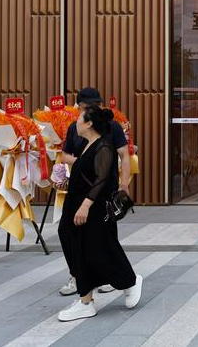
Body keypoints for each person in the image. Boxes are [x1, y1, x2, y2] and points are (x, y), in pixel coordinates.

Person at [56, 105, 141, 321]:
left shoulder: (104, 146)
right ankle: (86, 301)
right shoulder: (87, 144)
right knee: (82, 251)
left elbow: (101, 179)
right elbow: (85, 175)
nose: (76, 122)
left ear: (89, 124)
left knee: (99, 250)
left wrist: (85, 205)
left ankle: (128, 282)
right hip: (78, 205)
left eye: (79, 119)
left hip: (92, 208)